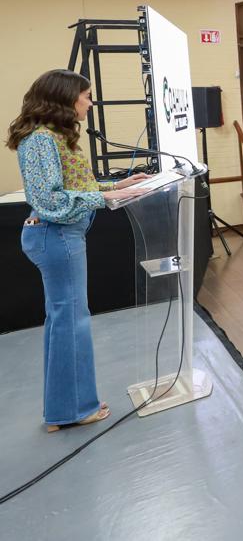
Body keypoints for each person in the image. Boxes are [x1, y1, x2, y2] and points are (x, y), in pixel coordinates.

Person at [8, 69, 149, 431]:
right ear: (66, 98)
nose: (90, 102)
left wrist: (117, 185)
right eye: (86, 96)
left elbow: (75, 185)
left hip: (62, 236)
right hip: (56, 236)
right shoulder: (41, 140)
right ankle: (72, 411)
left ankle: (63, 409)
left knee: (65, 321)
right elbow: (49, 201)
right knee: (71, 323)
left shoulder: (54, 136)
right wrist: (106, 198)